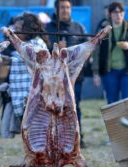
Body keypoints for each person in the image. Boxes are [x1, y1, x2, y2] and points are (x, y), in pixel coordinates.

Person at [6, 13, 49, 167]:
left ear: (28, 29)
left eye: (19, 27)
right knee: (36, 138)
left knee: (33, 140)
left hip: (31, 100)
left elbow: (27, 55)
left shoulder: (35, 45)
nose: (15, 30)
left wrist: (10, 36)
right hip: (27, 99)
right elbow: (21, 60)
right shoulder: (28, 45)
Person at [45, 0, 87, 148]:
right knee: (54, 108)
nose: (65, 10)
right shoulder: (48, 28)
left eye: (68, 7)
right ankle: (56, 140)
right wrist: (54, 47)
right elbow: (42, 52)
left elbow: (85, 51)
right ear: (56, 9)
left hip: (74, 78)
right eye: (62, 7)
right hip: (53, 79)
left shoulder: (78, 28)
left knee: (75, 108)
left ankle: (76, 138)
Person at [92, 2, 128, 104]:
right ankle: (115, 121)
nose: (118, 15)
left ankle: (126, 121)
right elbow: (96, 51)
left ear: (124, 13)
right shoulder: (103, 29)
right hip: (109, 71)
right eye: (115, 12)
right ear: (110, 13)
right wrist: (95, 73)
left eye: (121, 12)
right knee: (112, 103)